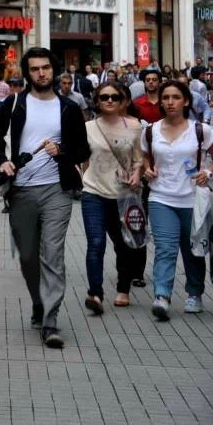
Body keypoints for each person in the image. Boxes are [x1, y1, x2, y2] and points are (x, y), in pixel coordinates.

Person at [0, 47, 90, 349]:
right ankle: (38, 301)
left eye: (46, 67)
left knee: (53, 255)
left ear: (54, 70)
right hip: (21, 191)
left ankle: (50, 320)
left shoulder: (69, 108)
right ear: (27, 72)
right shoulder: (16, 103)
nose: (41, 73)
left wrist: (63, 152)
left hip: (57, 190)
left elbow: (83, 151)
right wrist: (2, 161)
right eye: (35, 69)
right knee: (29, 256)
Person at [138, 80, 212, 320]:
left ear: (186, 101)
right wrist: (146, 169)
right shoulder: (150, 130)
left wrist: (208, 172)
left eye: (175, 97)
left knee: (192, 250)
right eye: (166, 97)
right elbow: (143, 157)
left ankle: (194, 293)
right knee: (165, 248)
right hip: (161, 197)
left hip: (193, 199)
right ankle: (162, 295)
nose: (170, 102)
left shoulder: (201, 130)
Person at [80, 81, 146, 312]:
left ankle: (123, 289)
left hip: (124, 195)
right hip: (93, 193)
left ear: (122, 101)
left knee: (124, 245)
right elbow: (80, 156)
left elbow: (139, 158)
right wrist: (82, 175)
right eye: (104, 97)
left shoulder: (134, 126)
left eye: (115, 97)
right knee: (95, 243)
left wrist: (138, 173)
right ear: (97, 101)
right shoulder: (88, 127)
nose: (109, 101)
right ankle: (95, 294)